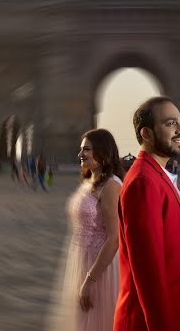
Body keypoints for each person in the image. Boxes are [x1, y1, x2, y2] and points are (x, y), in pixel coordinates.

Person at [114, 96, 180, 331]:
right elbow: (148, 271)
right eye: (170, 123)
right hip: (147, 321)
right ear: (147, 134)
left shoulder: (157, 175)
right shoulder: (143, 182)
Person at [50, 129, 124, 330]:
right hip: (81, 260)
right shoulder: (89, 180)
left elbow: (114, 238)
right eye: (80, 149)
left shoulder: (111, 186)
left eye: (86, 149)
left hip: (100, 268)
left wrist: (90, 281)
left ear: (103, 151)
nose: (80, 154)